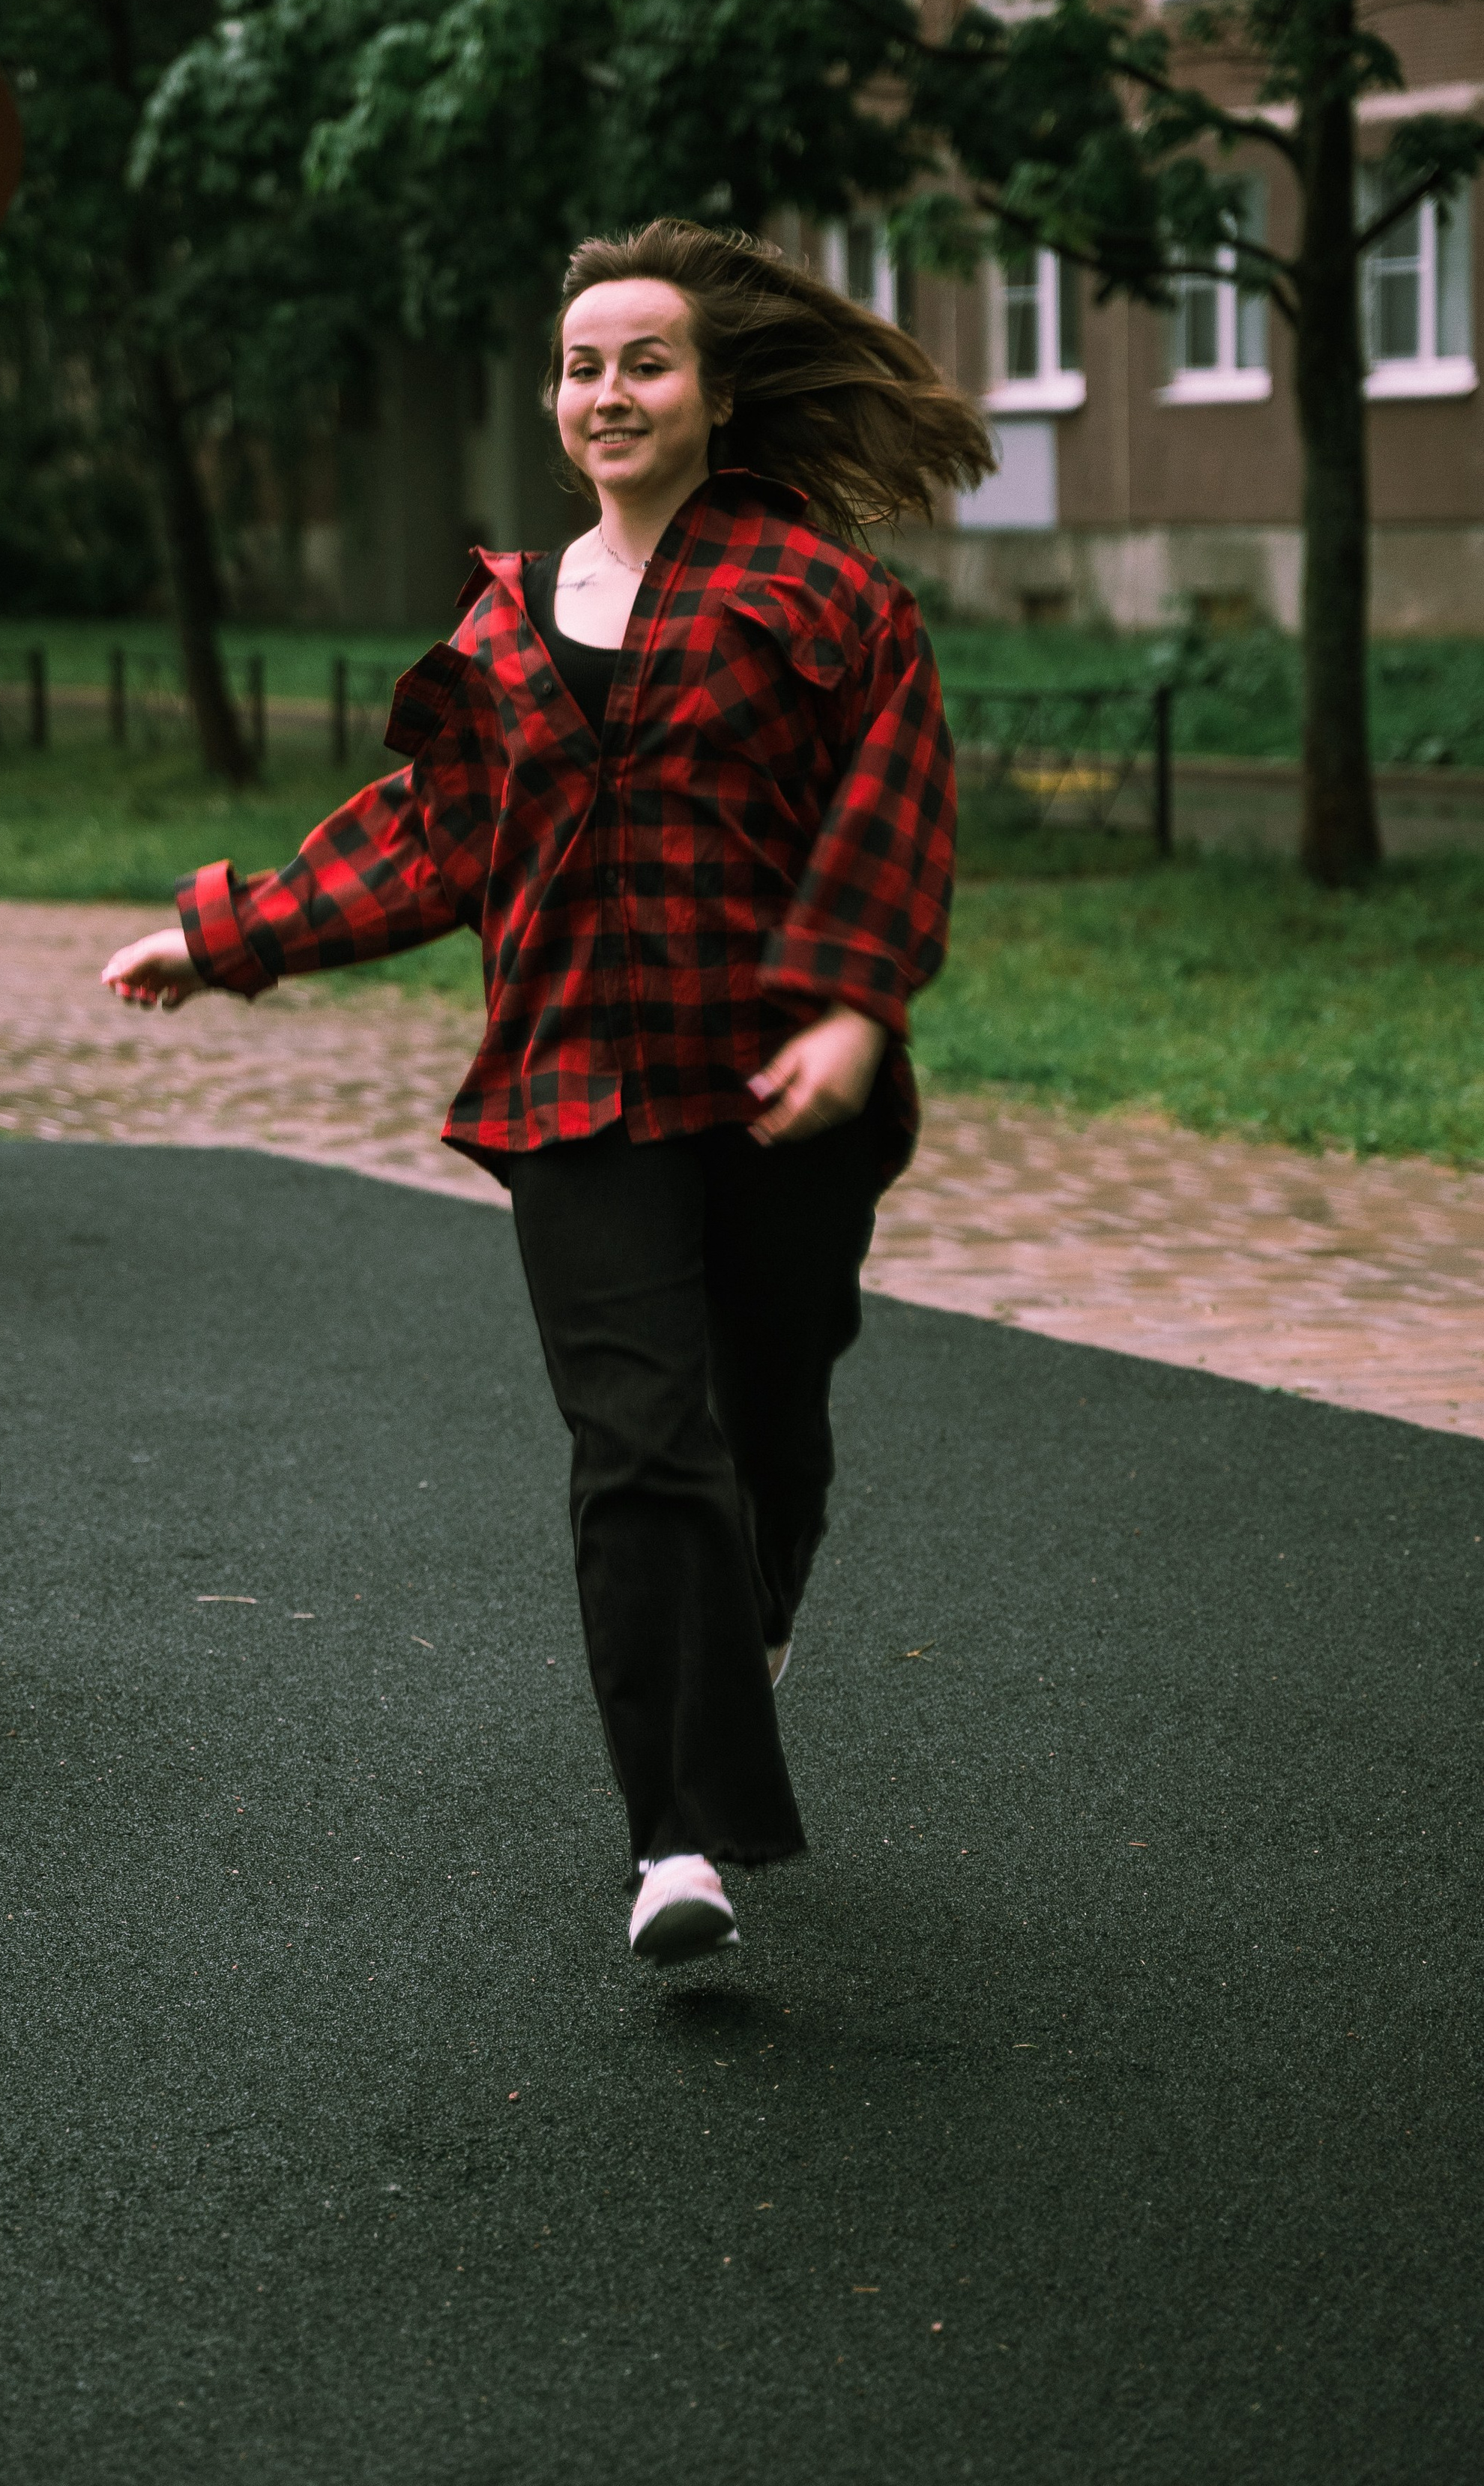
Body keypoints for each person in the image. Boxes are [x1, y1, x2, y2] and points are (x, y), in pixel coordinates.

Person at [101, 218, 992, 1966]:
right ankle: (677, 1842)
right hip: (572, 1088)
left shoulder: (823, 597)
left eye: (643, 361)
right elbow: (429, 842)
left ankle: (736, 1626)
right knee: (638, 1445)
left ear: (714, 395)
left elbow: (893, 807)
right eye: (581, 366)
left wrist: (845, 1010)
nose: (606, 393)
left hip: (770, 1090)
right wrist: (228, 936)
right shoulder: (506, 625)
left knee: (766, 1423)